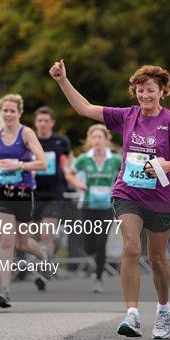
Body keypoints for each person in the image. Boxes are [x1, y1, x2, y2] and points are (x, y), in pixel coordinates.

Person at [50, 60, 170, 339]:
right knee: (131, 248)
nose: (145, 95)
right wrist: (62, 81)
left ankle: (164, 309)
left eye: (150, 90)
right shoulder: (127, 116)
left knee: (156, 259)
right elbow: (85, 108)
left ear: (161, 92)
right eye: (140, 90)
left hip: (161, 197)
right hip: (127, 192)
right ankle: (131, 315)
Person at [0, 94, 48, 308]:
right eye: (5, 111)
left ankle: (42, 255)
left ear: (19, 113)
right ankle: (4, 290)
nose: (8, 114)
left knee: (23, 243)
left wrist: (19, 165)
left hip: (24, 193)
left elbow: (43, 163)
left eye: (12, 111)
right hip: (3, 193)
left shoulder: (26, 134)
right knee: (6, 242)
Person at [67, 124, 122, 293]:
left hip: (106, 206)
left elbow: (124, 175)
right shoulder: (84, 158)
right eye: (94, 137)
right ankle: (95, 265)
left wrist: (117, 188)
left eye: (100, 137)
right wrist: (79, 184)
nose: (97, 141)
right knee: (89, 244)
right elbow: (69, 173)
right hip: (87, 205)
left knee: (101, 242)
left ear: (106, 140)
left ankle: (98, 277)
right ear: (90, 140)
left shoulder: (115, 160)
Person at [33, 106, 73, 289]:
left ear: (52, 123)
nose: (42, 124)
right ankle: (43, 263)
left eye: (46, 120)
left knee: (46, 232)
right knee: (34, 236)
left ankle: (43, 270)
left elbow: (69, 158)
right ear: (35, 123)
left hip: (55, 193)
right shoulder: (29, 140)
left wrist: (67, 171)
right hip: (33, 193)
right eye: (39, 121)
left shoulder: (60, 141)